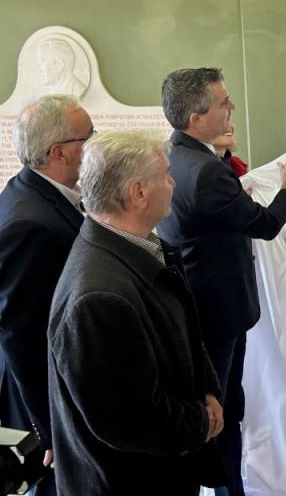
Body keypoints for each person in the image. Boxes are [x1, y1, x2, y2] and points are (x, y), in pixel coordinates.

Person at [48, 131, 224, 495]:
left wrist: (207, 389)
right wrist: (200, 421)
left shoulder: (142, 248)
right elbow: (131, 420)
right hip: (131, 483)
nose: (173, 183)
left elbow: (183, 332)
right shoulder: (98, 299)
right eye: (166, 175)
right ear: (138, 192)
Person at [158, 67, 286, 496]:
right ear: (196, 119)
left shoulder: (176, 154)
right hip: (218, 314)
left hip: (199, 308)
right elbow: (265, 224)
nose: (232, 107)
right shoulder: (206, 172)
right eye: (223, 102)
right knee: (220, 413)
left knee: (221, 408)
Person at [0, 94, 91, 495]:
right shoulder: (29, 224)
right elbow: (20, 335)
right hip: (46, 406)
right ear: (59, 152)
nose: (95, 145)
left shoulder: (30, 190)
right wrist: (49, 428)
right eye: (88, 137)